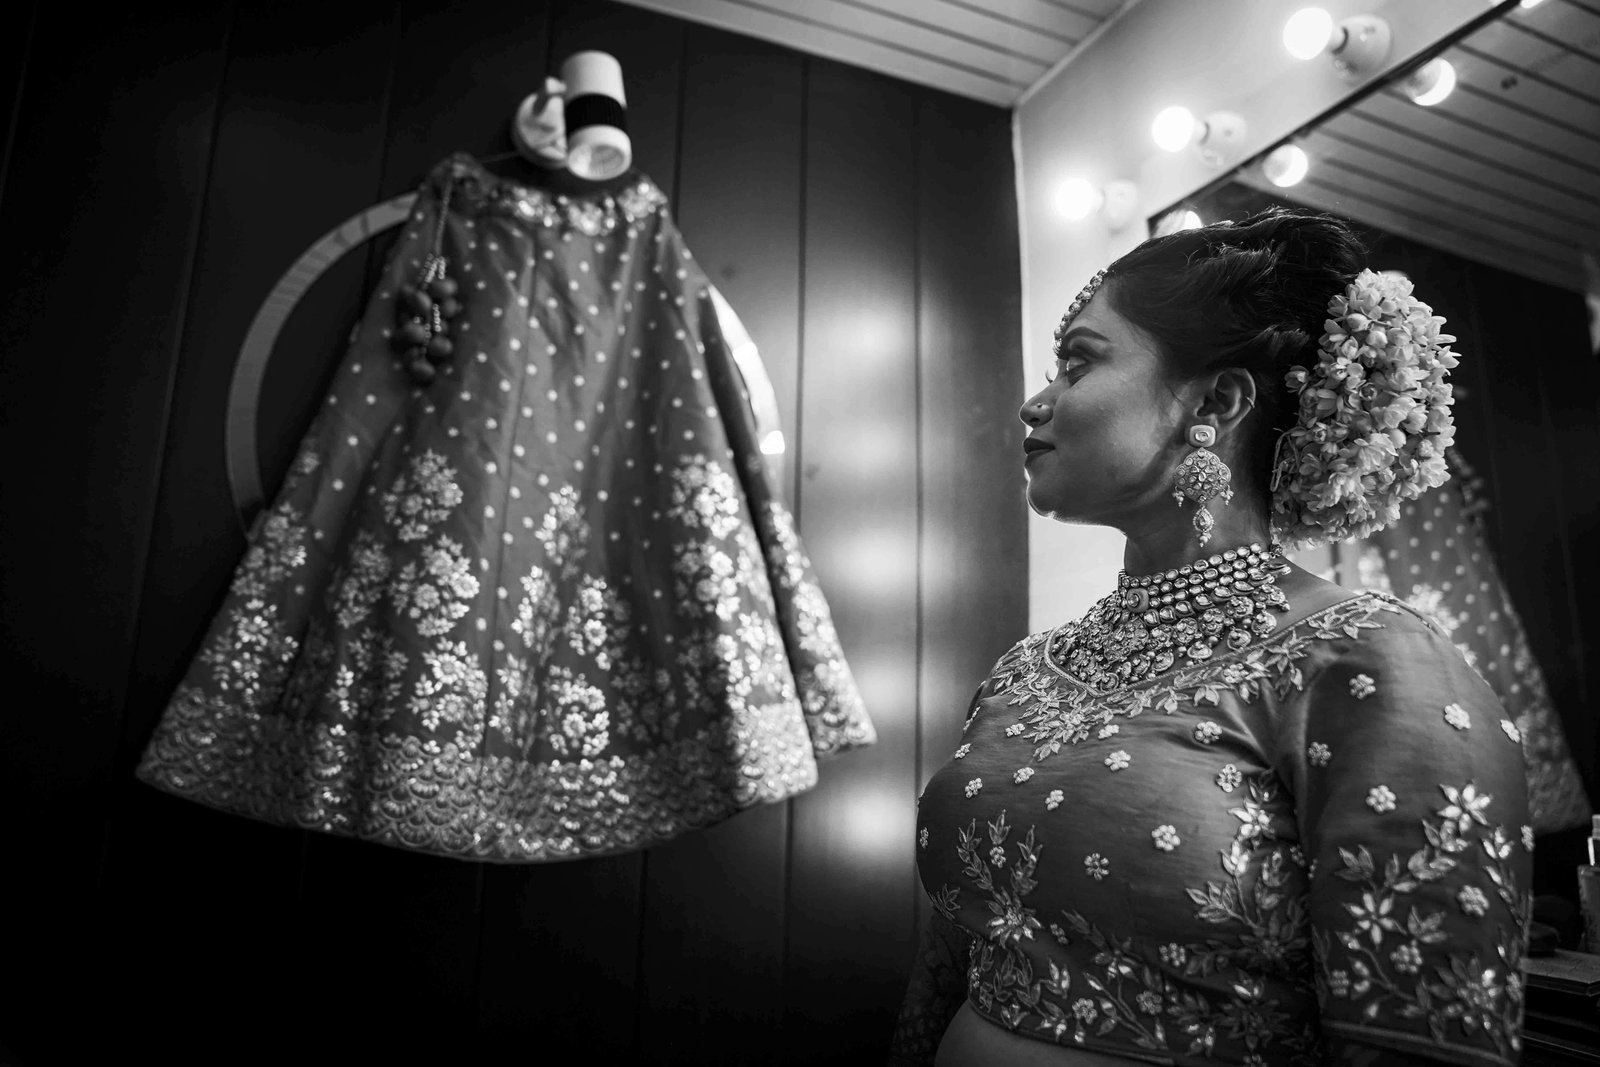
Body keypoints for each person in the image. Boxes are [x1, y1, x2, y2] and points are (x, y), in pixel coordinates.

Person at [889, 208, 1531, 1066]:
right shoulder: (1024, 670)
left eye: (1078, 363)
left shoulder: (1369, 660)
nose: (1035, 402)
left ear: (1217, 402)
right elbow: (948, 959)